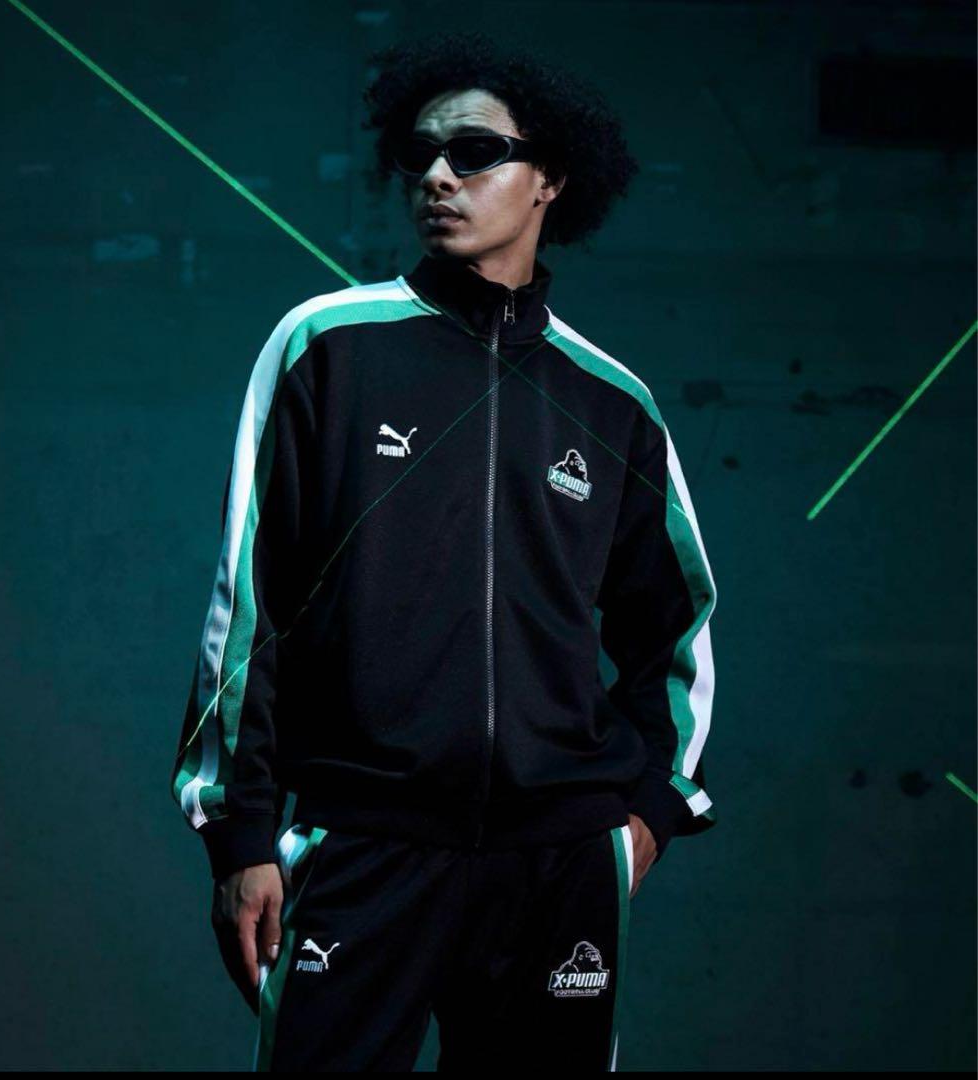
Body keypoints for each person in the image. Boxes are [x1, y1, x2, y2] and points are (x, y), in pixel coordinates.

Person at [169, 30, 718, 1072]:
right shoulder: (326, 345)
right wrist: (238, 834)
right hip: (363, 842)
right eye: (418, 153)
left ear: (551, 176)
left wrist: (648, 810)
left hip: (558, 860)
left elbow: (676, 631)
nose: (435, 175)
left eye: (473, 152)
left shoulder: (614, 403)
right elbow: (248, 603)